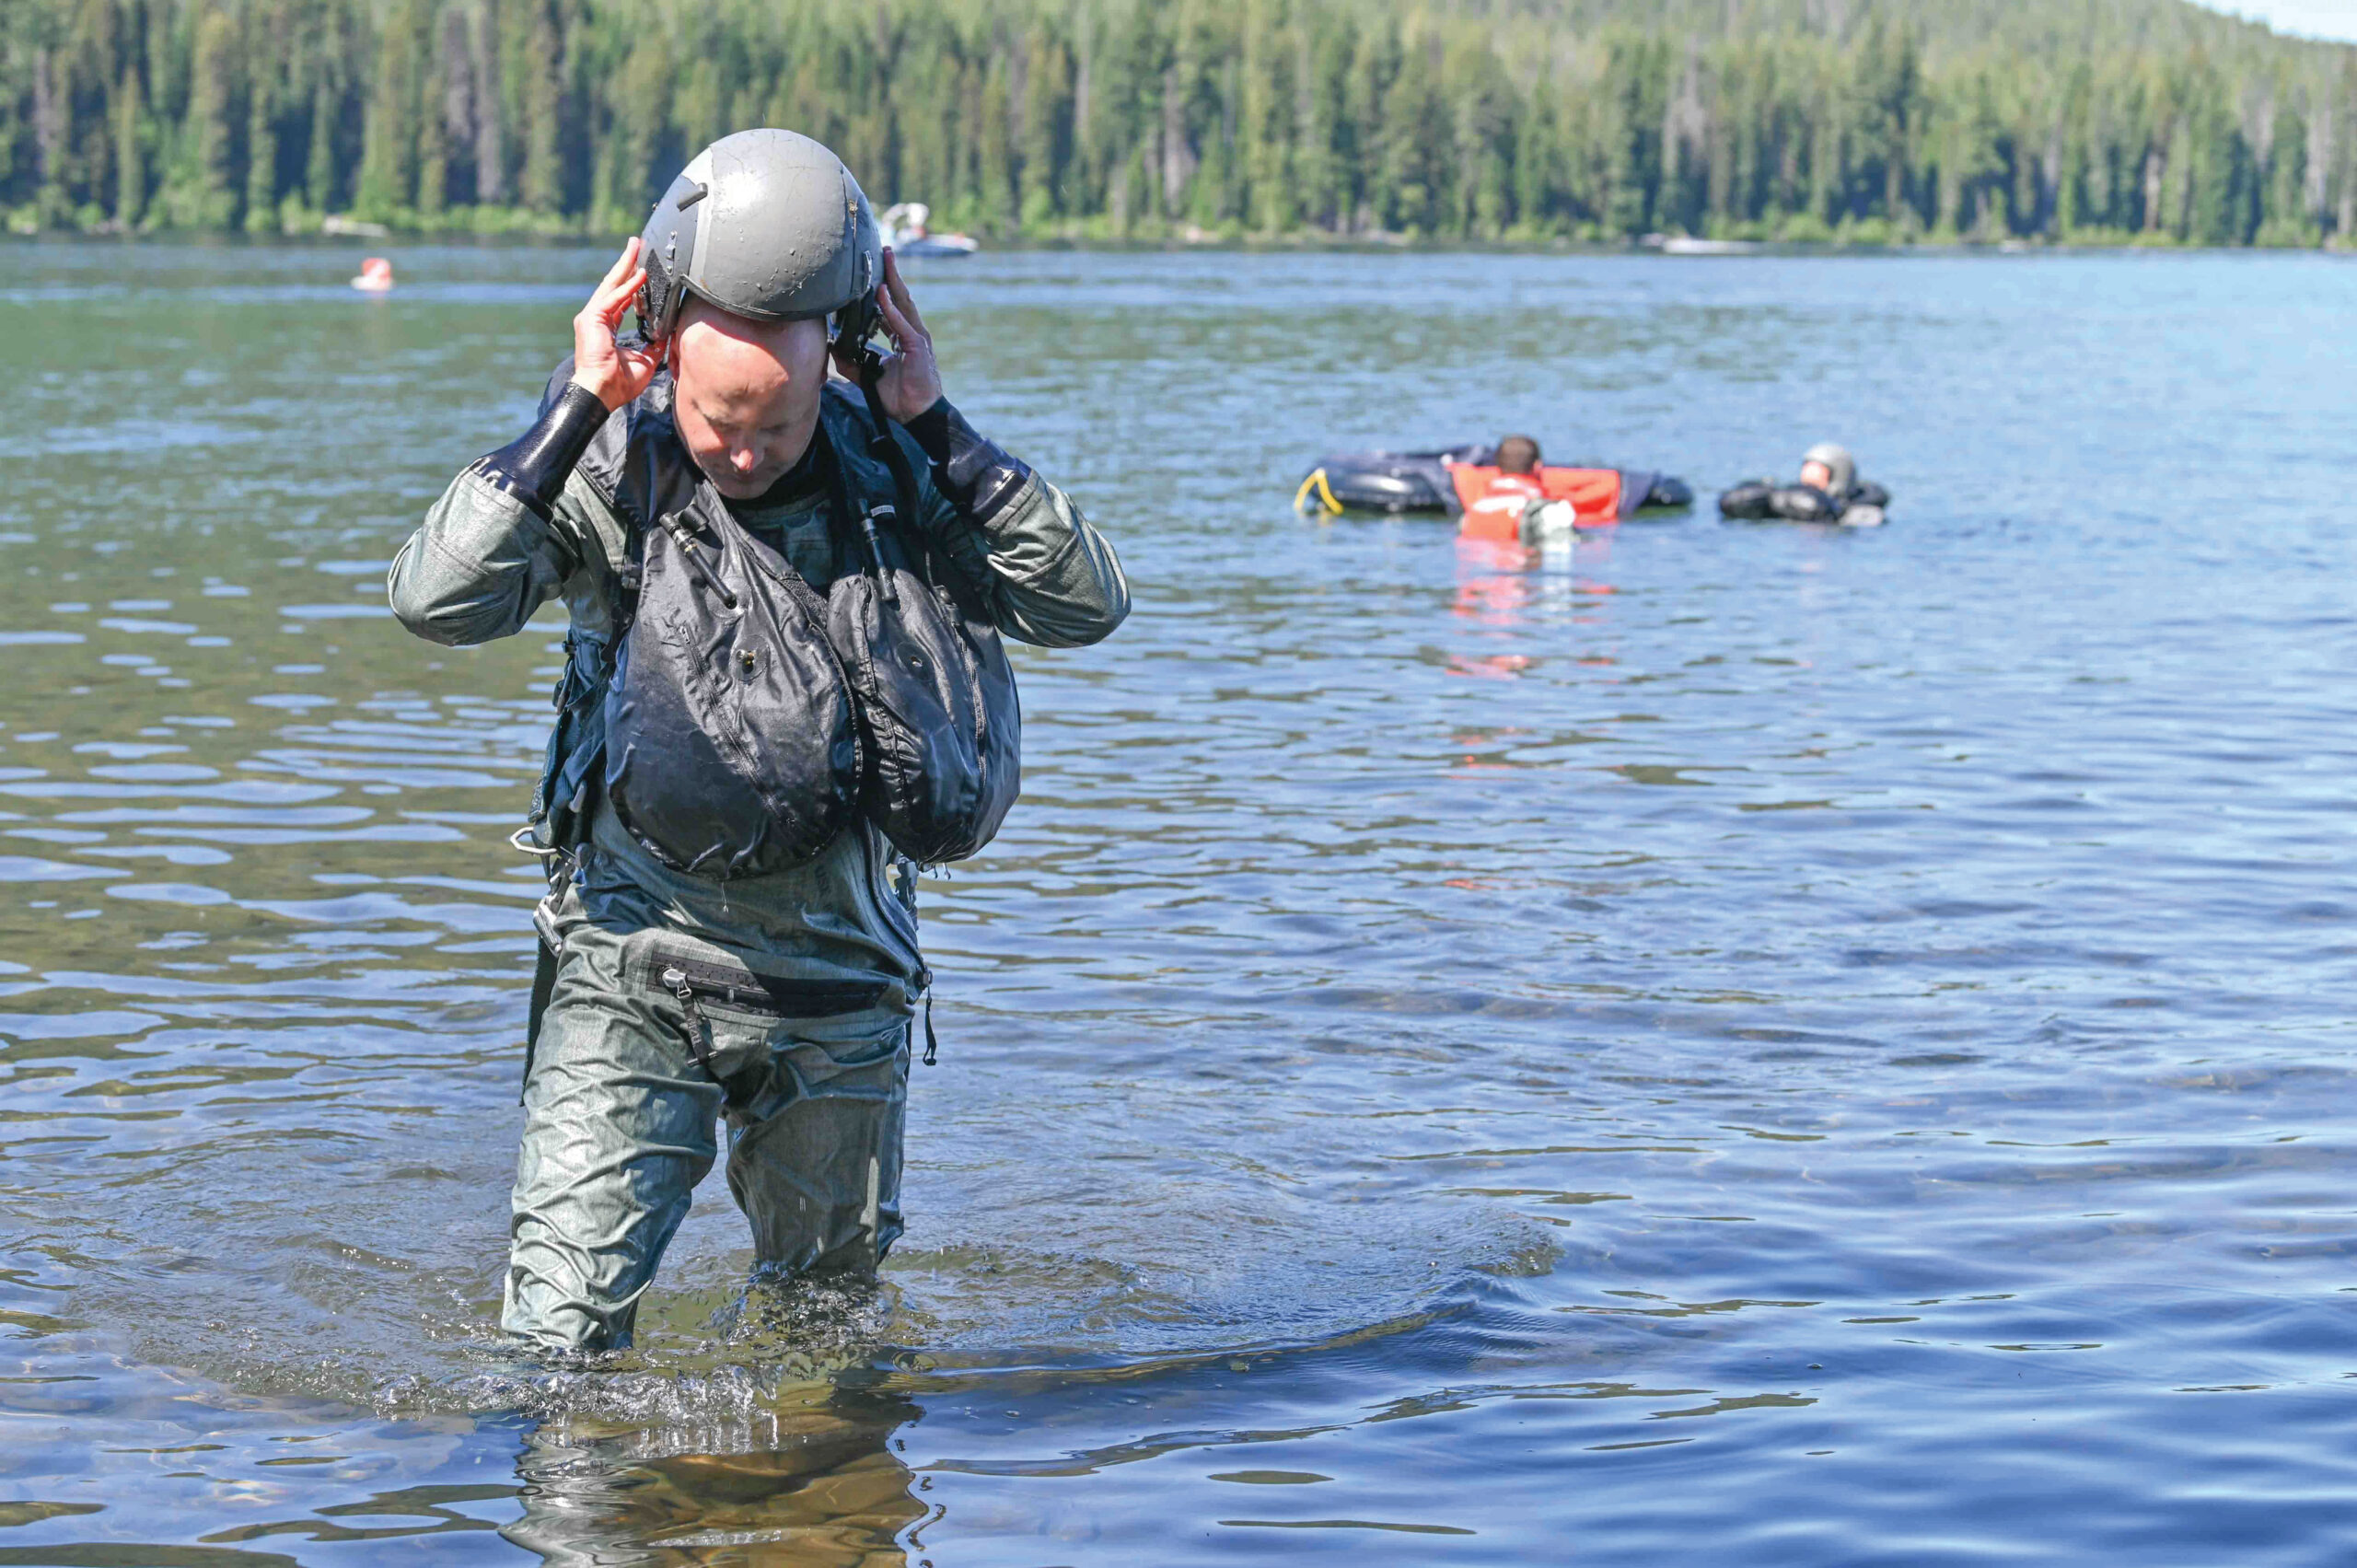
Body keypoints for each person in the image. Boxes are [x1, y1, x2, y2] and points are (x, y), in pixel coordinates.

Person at [386, 128, 1130, 1353]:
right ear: (663, 344)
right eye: (718, 418)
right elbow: (435, 600)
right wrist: (576, 407)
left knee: (824, 1333)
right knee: (553, 1344)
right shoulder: (613, 468)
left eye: (772, 430)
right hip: (634, 967)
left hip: (841, 981)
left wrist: (940, 422)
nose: (739, 450)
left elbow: (1084, 605)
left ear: (838, 352)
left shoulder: (899, 470)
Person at [1717, 442, 1889, 527]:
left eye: (1817, 473)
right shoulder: (1786, 498)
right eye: (1806, 471)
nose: (1808, 480)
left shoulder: (1861, 513)